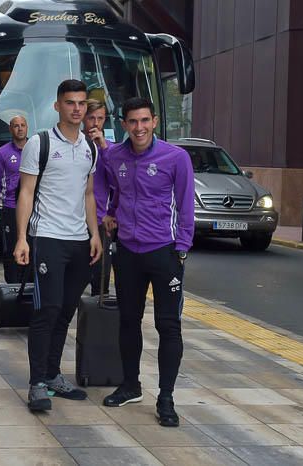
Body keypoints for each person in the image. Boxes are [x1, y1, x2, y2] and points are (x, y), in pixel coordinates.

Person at [100, 97, 194, 427]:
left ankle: (166, 397)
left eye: (144, 121)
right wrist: (107, 215)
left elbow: (185, 207)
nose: (138, 128)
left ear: (153, 121)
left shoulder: (176, 157)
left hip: (164, 253)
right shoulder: (114, 156)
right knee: (128, 321)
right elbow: (108, 191)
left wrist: (181, 250)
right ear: (124, 124)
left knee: (168, 326)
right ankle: (130, 385)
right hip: (127, 252)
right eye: (132, 122)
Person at [14, 79, 102, 411]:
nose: (77, 108)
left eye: (81, 103)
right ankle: (37, 382)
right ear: (57, 106)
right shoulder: (40, 143)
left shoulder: (89, 148)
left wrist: (94, 234)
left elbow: (89, 194)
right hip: (48, 238)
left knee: (65, 312)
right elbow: (25, 193)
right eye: (70, 103)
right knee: (45, 311)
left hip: (79, 242)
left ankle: (53, 375)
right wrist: (22, 238)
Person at [0, 115, 28, 283]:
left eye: (23, 125)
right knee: (12, 250)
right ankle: (12, 287)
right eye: (16, 126)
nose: (20, 128)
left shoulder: (36, 149)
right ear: (10, 129)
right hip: (11, 208)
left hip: (34, 208)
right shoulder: (1, 153)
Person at [85, 99, 114, 296]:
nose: (95, 123)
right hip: (73, 218)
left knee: (101, 274)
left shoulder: (111, 149)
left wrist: (103, 147)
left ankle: (97, 317)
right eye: (91, 118)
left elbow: (119, 180)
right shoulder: (75, 144)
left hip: (100, 217)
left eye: (100, 118)